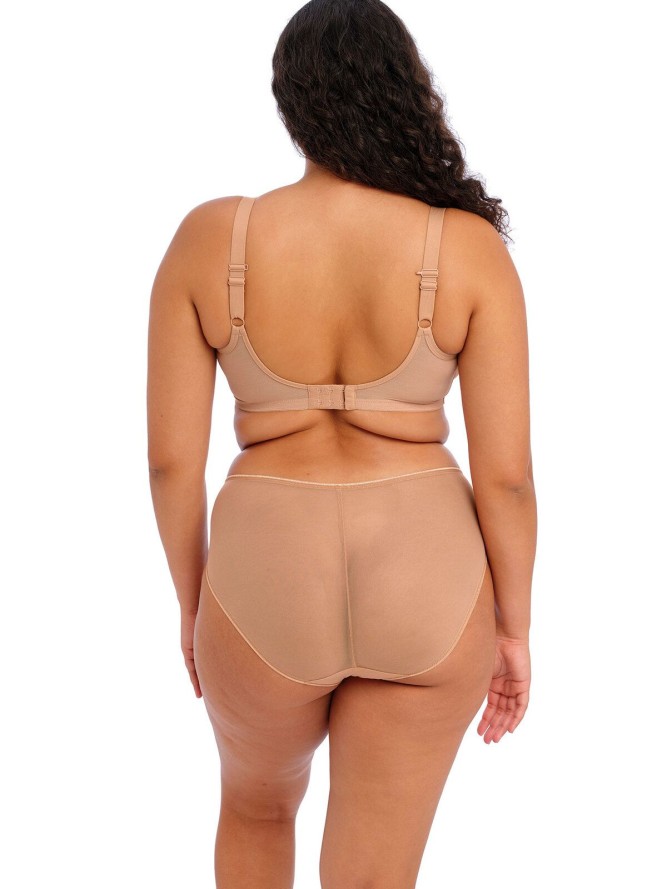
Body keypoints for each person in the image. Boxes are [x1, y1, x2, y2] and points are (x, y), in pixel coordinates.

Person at [146, 1, 537, 886]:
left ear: (290, 103)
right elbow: (507, 478)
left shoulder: (210, 238)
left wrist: (194, 603)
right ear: (404, 90)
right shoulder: (465, 247)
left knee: (256, 809)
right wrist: (512, 626)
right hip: (425, 578)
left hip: (263, 575)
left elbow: (170, 462)